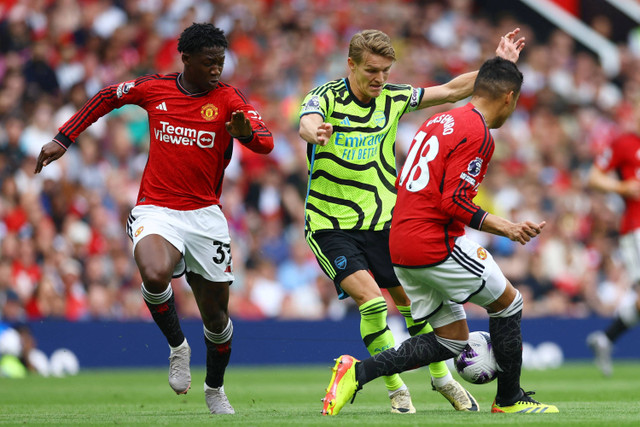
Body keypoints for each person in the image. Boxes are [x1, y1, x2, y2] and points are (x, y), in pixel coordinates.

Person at [34, 23, 273, 415]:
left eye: (221, 62)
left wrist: (246, 134)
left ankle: (215, 388)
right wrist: (64, 138)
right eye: (209, 62)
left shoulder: (230, 99)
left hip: (205, 216)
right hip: (156, 208)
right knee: (154, 273)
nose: (216, 70)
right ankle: (178, 347)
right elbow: (107, 96)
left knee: (216, 317)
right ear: (187, 59)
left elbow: (266, 142)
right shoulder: (156, 88)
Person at [299, 28, 524, 414]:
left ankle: (442, 379)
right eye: (372, 70)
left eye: (386, 70)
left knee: (409, 303)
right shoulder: (325, 97)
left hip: (384, 220)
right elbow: (307, 120)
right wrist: (314, 132)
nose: (380, 78)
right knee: (371, 303)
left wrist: (498, 63)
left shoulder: (393, 98)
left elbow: (454, 91)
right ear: (350, 64)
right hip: (329, 222)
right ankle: (395, 388)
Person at [586, 96, 640, 377]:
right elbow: (594, 177)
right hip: (636, 227)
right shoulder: (624, 143)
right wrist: (623, 187)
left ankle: (606, 338)